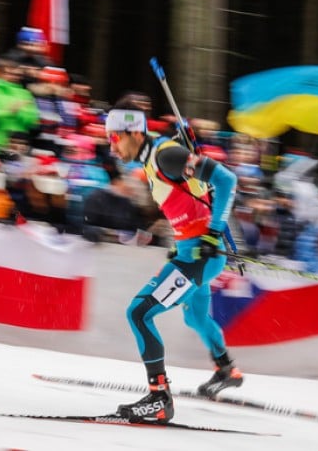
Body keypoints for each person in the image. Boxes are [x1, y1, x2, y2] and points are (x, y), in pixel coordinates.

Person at [104, 108, 242, 424]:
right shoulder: (154, 154)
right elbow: (191, 194)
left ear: (134, 134)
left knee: (138, 313)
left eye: (115, 138)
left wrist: (214, 232)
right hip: (194, 253)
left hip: (198, 257)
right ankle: (225, 368)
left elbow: (226, 180)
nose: (112, 147)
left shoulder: (165, 155)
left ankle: (158, 397)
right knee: (195, 316)